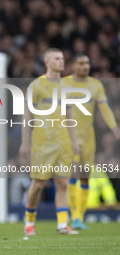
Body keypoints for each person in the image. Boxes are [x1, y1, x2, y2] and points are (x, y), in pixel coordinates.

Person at [19, 48, 79, 235]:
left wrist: (74, 141)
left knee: (62, 183)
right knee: (38, 184)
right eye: (57, 58)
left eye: (62, 58)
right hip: (42, 141)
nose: (61, 61)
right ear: (47, 62)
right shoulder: (36, 85)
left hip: (63, 141)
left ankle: (62, 224)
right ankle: (29, 221)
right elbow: (27, 115)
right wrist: (25, 142)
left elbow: (69, 116)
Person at [65, 54, 120, 229]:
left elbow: (104, 108)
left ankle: (79, 218)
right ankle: (73, 215)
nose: (85, 66)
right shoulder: (64, 84)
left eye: (87, 63)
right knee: (73, 174)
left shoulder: (95, 85)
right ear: (74, 65)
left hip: (89, 137)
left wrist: (114, 127)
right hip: (69, 135)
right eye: (81, 63)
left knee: (85, 178)